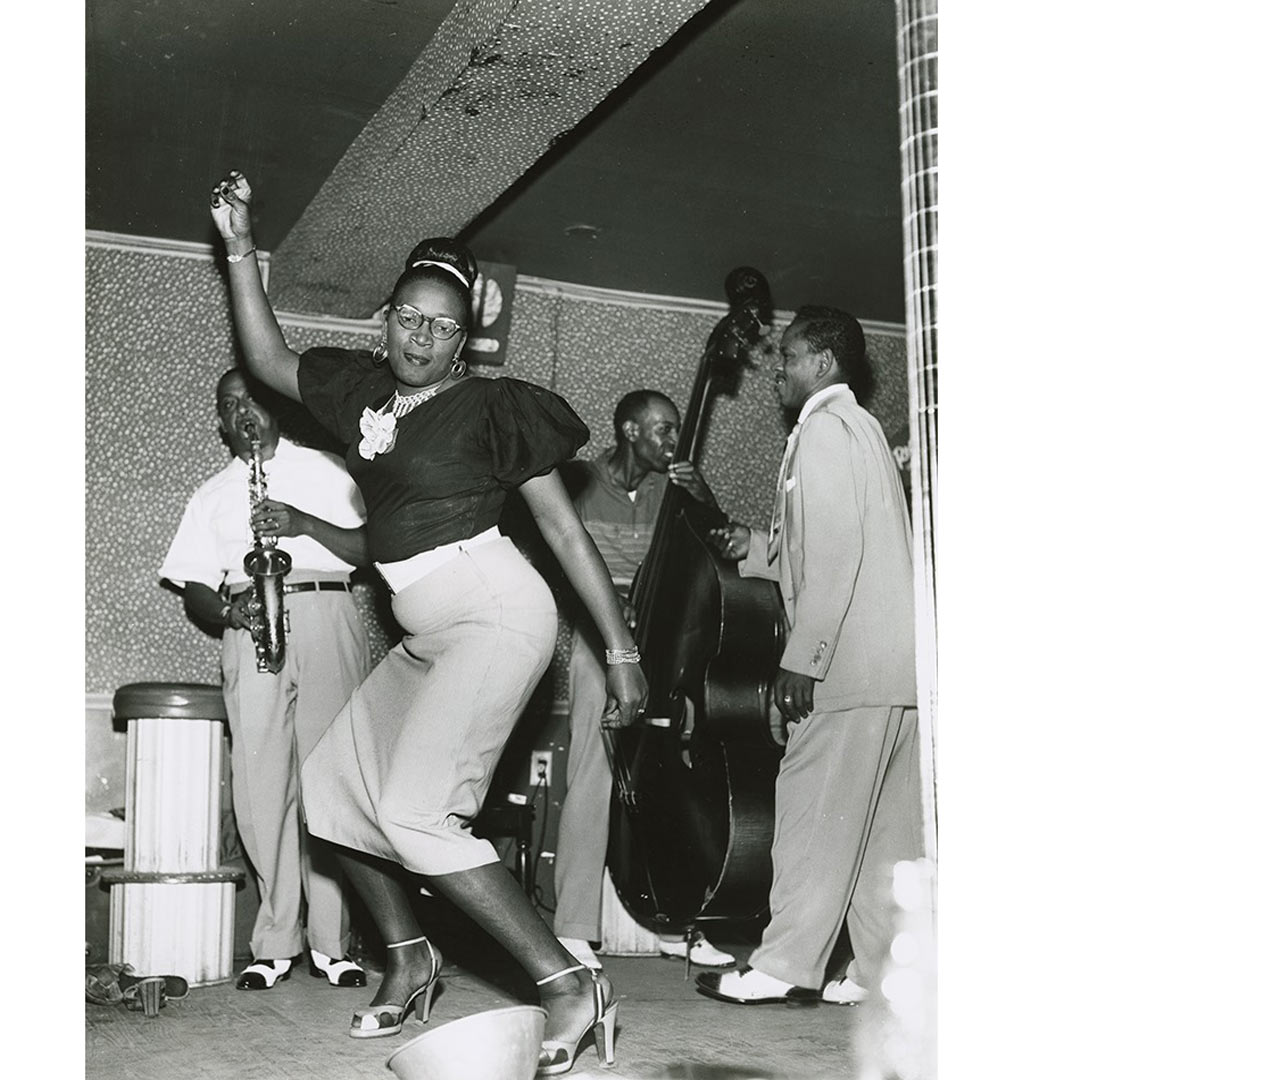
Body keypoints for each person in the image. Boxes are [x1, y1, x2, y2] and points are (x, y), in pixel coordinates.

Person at [209, 170, 646, 1077]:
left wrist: (620, 646)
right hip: (424, 630)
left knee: (417, 811)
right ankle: (410, 957)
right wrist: (241, 247)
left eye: (444, 326)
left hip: (495, 612)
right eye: (410, 316)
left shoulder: (494, 409)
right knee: (331, 789)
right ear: (386, 316)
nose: (423, 336)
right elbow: (266, 358)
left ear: (464, 340)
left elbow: (563, 530)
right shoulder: (359, 395)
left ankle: (568, 982)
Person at [695, 306, 924, 1008]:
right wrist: (759, 550)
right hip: (901, 673)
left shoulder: (822, 430)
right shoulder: (866, 434)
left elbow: (834, 553)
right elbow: (847, 545)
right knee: (885, 837)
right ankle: (873, 976)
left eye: (788, 356)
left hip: (848, 669)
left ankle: (783, 965)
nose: (778, 370)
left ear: (822, 362)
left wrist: (804, 658)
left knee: (812, 817)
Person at [158, 369, 373, 992]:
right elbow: (195, 585)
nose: (242, 411)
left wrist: (302, 523)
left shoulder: (331, 472)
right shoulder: (211, 495)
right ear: (222, 424)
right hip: (250, 622)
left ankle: (333, 944)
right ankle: (275, 941)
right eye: (229, 405)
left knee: (334, 781)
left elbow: (369, 548)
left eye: (252, 399)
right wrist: (229, 612)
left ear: (277, 408)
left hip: (328, 610)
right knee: (259, 786)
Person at [547, 390, 738, 971]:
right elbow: (556, 560)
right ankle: (574, 928)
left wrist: (703, 498)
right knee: (593, 771)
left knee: (672, 782)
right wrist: (610, 608)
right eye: (661, 430)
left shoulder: (674, 491)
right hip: (598, 642)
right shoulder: (579, 485)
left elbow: (719, 550)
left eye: (676, 429)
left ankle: (681, 919)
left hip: (664, 646)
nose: (671, 442)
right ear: (629, 430)